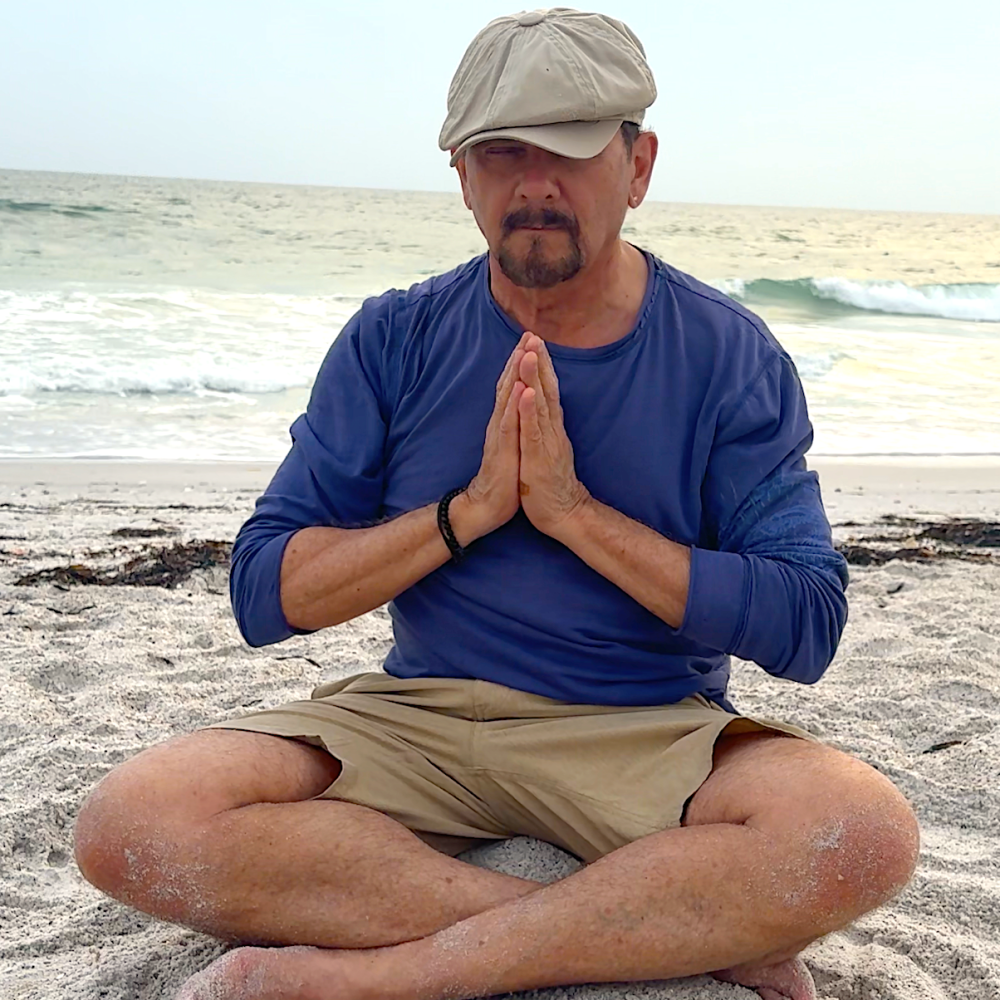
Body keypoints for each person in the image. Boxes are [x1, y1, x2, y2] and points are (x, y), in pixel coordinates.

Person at [73, 9, 919, 1000]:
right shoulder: (393, 338)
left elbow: (806, 623)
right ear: (463, 177)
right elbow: (265, 592)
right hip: (420, 718)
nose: (535, 186)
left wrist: (571, 514)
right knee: (135, 820)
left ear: (637, 166)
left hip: (642, 730)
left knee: (860, 832)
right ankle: (660, 930)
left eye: (569, 151)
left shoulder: (728, 355)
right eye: (501, 153)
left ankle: (393, 976)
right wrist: (463, 514)